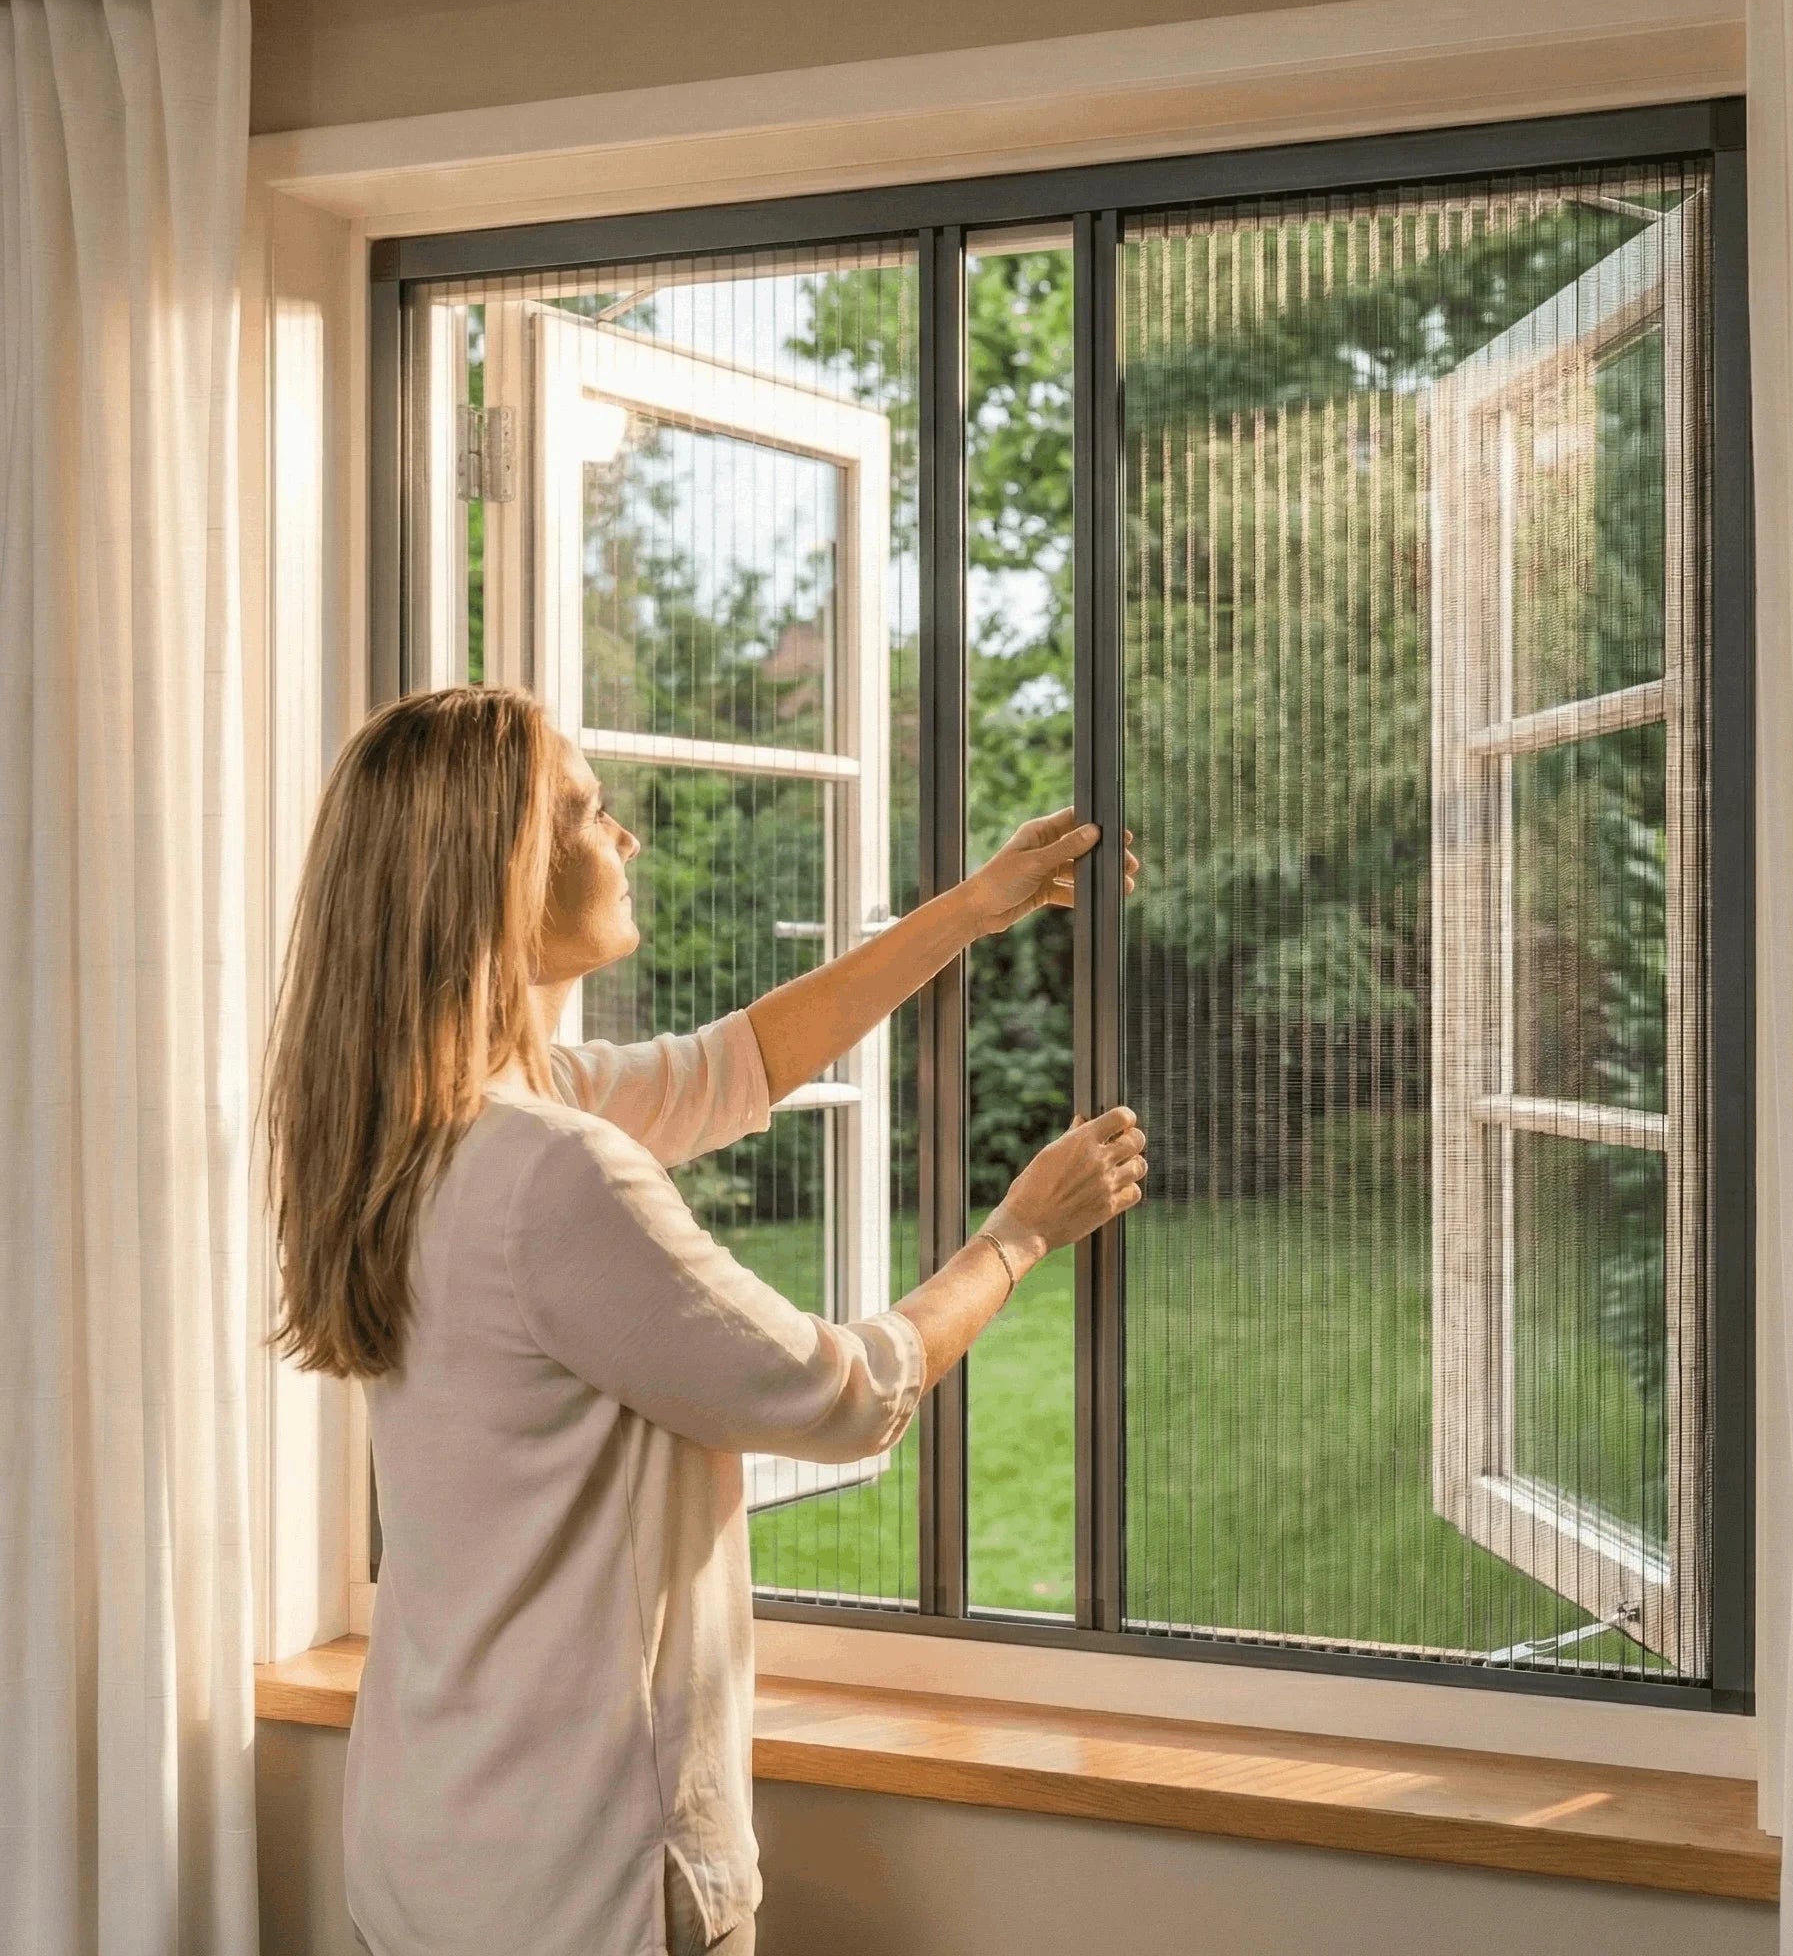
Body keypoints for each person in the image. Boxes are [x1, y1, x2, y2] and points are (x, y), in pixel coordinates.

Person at [265, 685, 1144, 1956]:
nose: (624, 836)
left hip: (429, 1849)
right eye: (587, 812)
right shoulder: (553, 1170)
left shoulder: (411, 1126)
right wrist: (1018, 1231)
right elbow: (845, 1394)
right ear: (504, 874)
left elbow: (737, 1064)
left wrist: (970, 906)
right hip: (589, 1883)